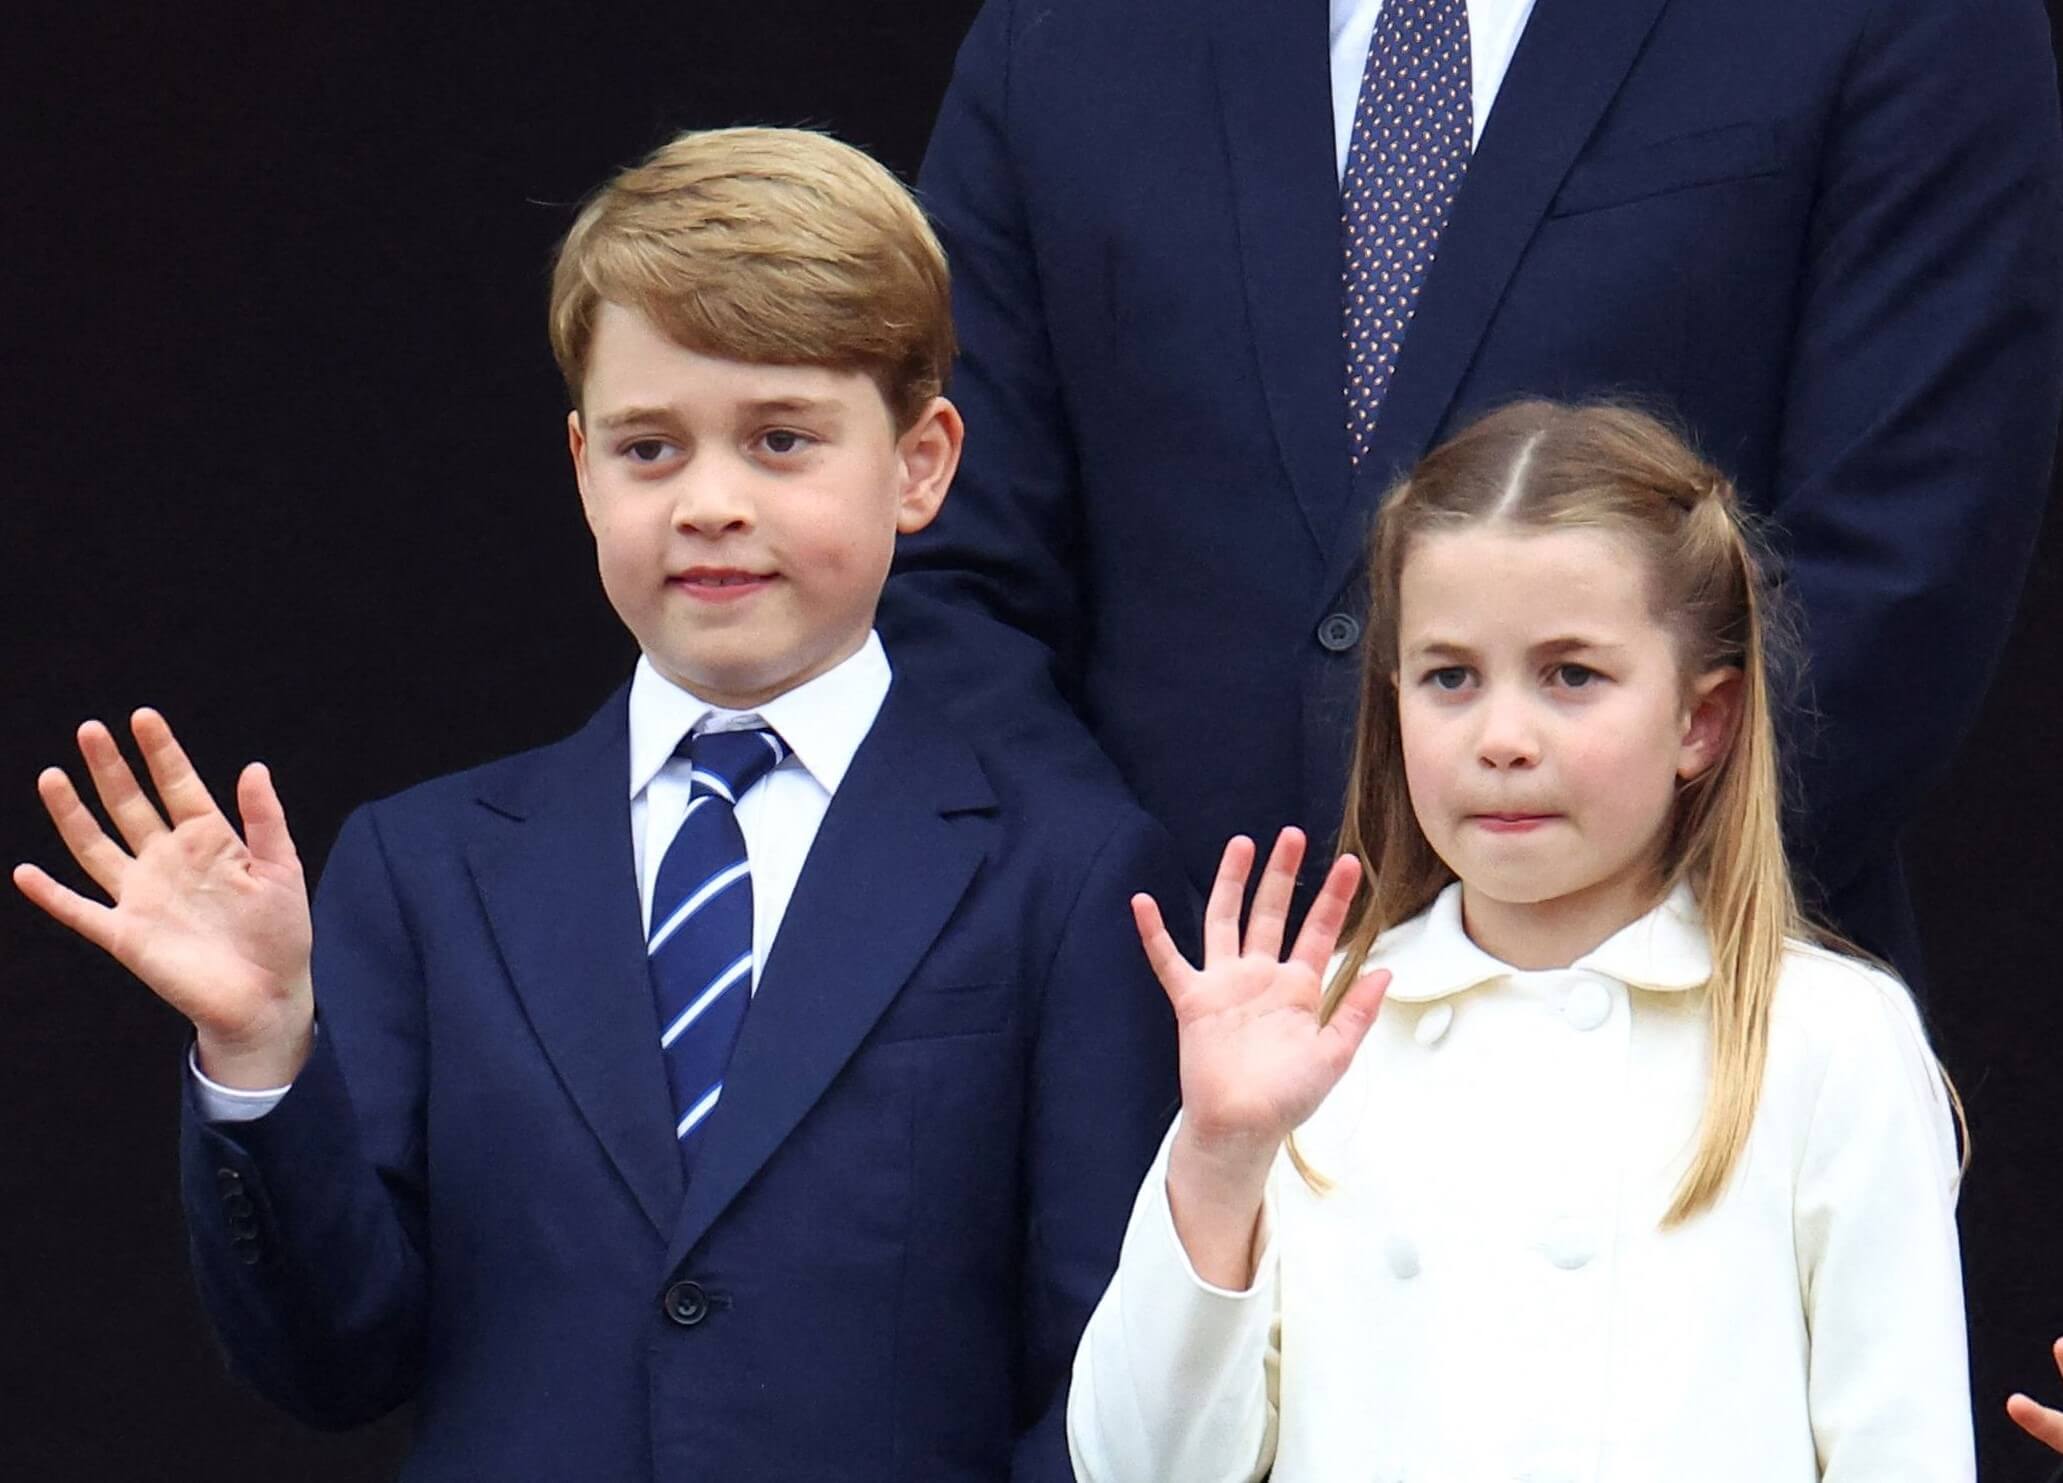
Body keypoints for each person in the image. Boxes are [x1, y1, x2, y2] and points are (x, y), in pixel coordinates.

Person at [11, 127, 1185, 1482]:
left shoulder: (1067, 869)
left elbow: (1100, 1371)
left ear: (920, 463)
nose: (709, 502)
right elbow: (334, 1355)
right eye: (648, 447)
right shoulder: (426, 866)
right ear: (579, 464)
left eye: (781, 438)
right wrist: (263, 1054)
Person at [884, 0, 2063, 985]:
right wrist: (1139, 933)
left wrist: (1523, 946)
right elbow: (941, 559)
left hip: (1665, 1067)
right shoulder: (1063, 30)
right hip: (1158, 1067)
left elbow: (1899, 568)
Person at [1065, 402, 1970, 1481]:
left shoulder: (1823, 1038)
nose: (1500, 739)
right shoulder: (1312, 1045)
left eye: (1570, 676)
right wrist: (1218, 1156)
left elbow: (1901, 1449)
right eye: (1449, 676)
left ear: (1700, 720)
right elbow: (1138, 1464)